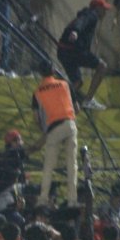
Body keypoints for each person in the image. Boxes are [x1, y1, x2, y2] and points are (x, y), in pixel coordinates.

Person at [32, 60, 78, 206]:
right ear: (53, 70)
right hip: (69, 124)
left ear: (40, 73)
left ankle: (43, 199)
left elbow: (36, 118)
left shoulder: (37, 92)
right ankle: (72, 200)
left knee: (48, 167)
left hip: (53, 128)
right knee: (72, 165)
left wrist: (45, 131)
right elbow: (77, 108)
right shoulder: (65, 84)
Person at [57, 0, 111, 110]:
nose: (105, 12)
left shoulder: (86, 14)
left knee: (77, 83)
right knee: (102, 67)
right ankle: (88, 100)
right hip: (75, 52)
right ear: (98, 8)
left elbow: (81, 21)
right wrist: (75, 32)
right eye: (104, 9)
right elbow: (81, 22)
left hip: (63, 51)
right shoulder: (92, 15)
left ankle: (58, 100)